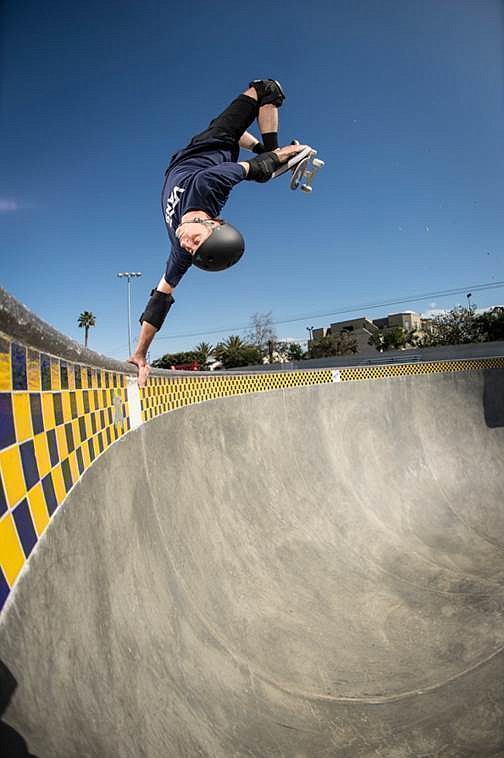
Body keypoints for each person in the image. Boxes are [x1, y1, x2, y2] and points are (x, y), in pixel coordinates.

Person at [128, 79, 307, 386]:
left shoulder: (180, 251)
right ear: (214, 223)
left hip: (187, 156)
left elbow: (160, 299)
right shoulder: (210, 185)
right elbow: (258, 170)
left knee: (241, 140)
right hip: (215, 143)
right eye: (196, 240)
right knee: (266, 91)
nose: (186, 242)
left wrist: (140, 354)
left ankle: (263, 145)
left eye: (190, 248)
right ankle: (272, 142)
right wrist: (287, 153)